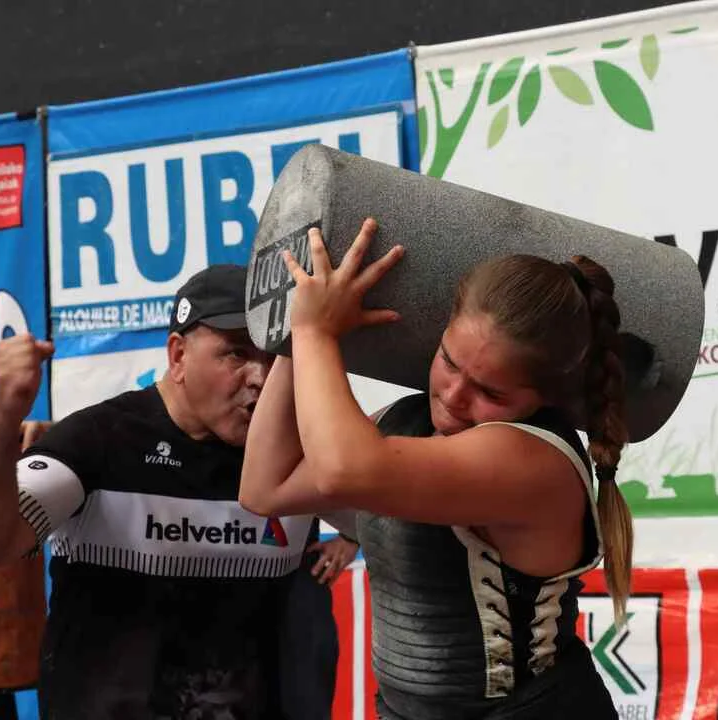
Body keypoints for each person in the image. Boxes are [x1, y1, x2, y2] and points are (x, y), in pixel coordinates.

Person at [240, 218, 633, 719]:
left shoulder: (535, 462)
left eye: (490, 392)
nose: (453, 396)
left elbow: (343, 469)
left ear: (543, 398)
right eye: (448, 360)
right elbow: (265, 488)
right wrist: (299, 331)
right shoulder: (408, 424)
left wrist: (315, 331)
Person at [0, 263, 357, 720]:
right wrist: (1, 417)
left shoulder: (303, 450)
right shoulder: (97, 442)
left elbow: (395, 509)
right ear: (178, 356)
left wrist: (352, 534)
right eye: (237, 353)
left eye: (275, 356)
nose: (260, 376)